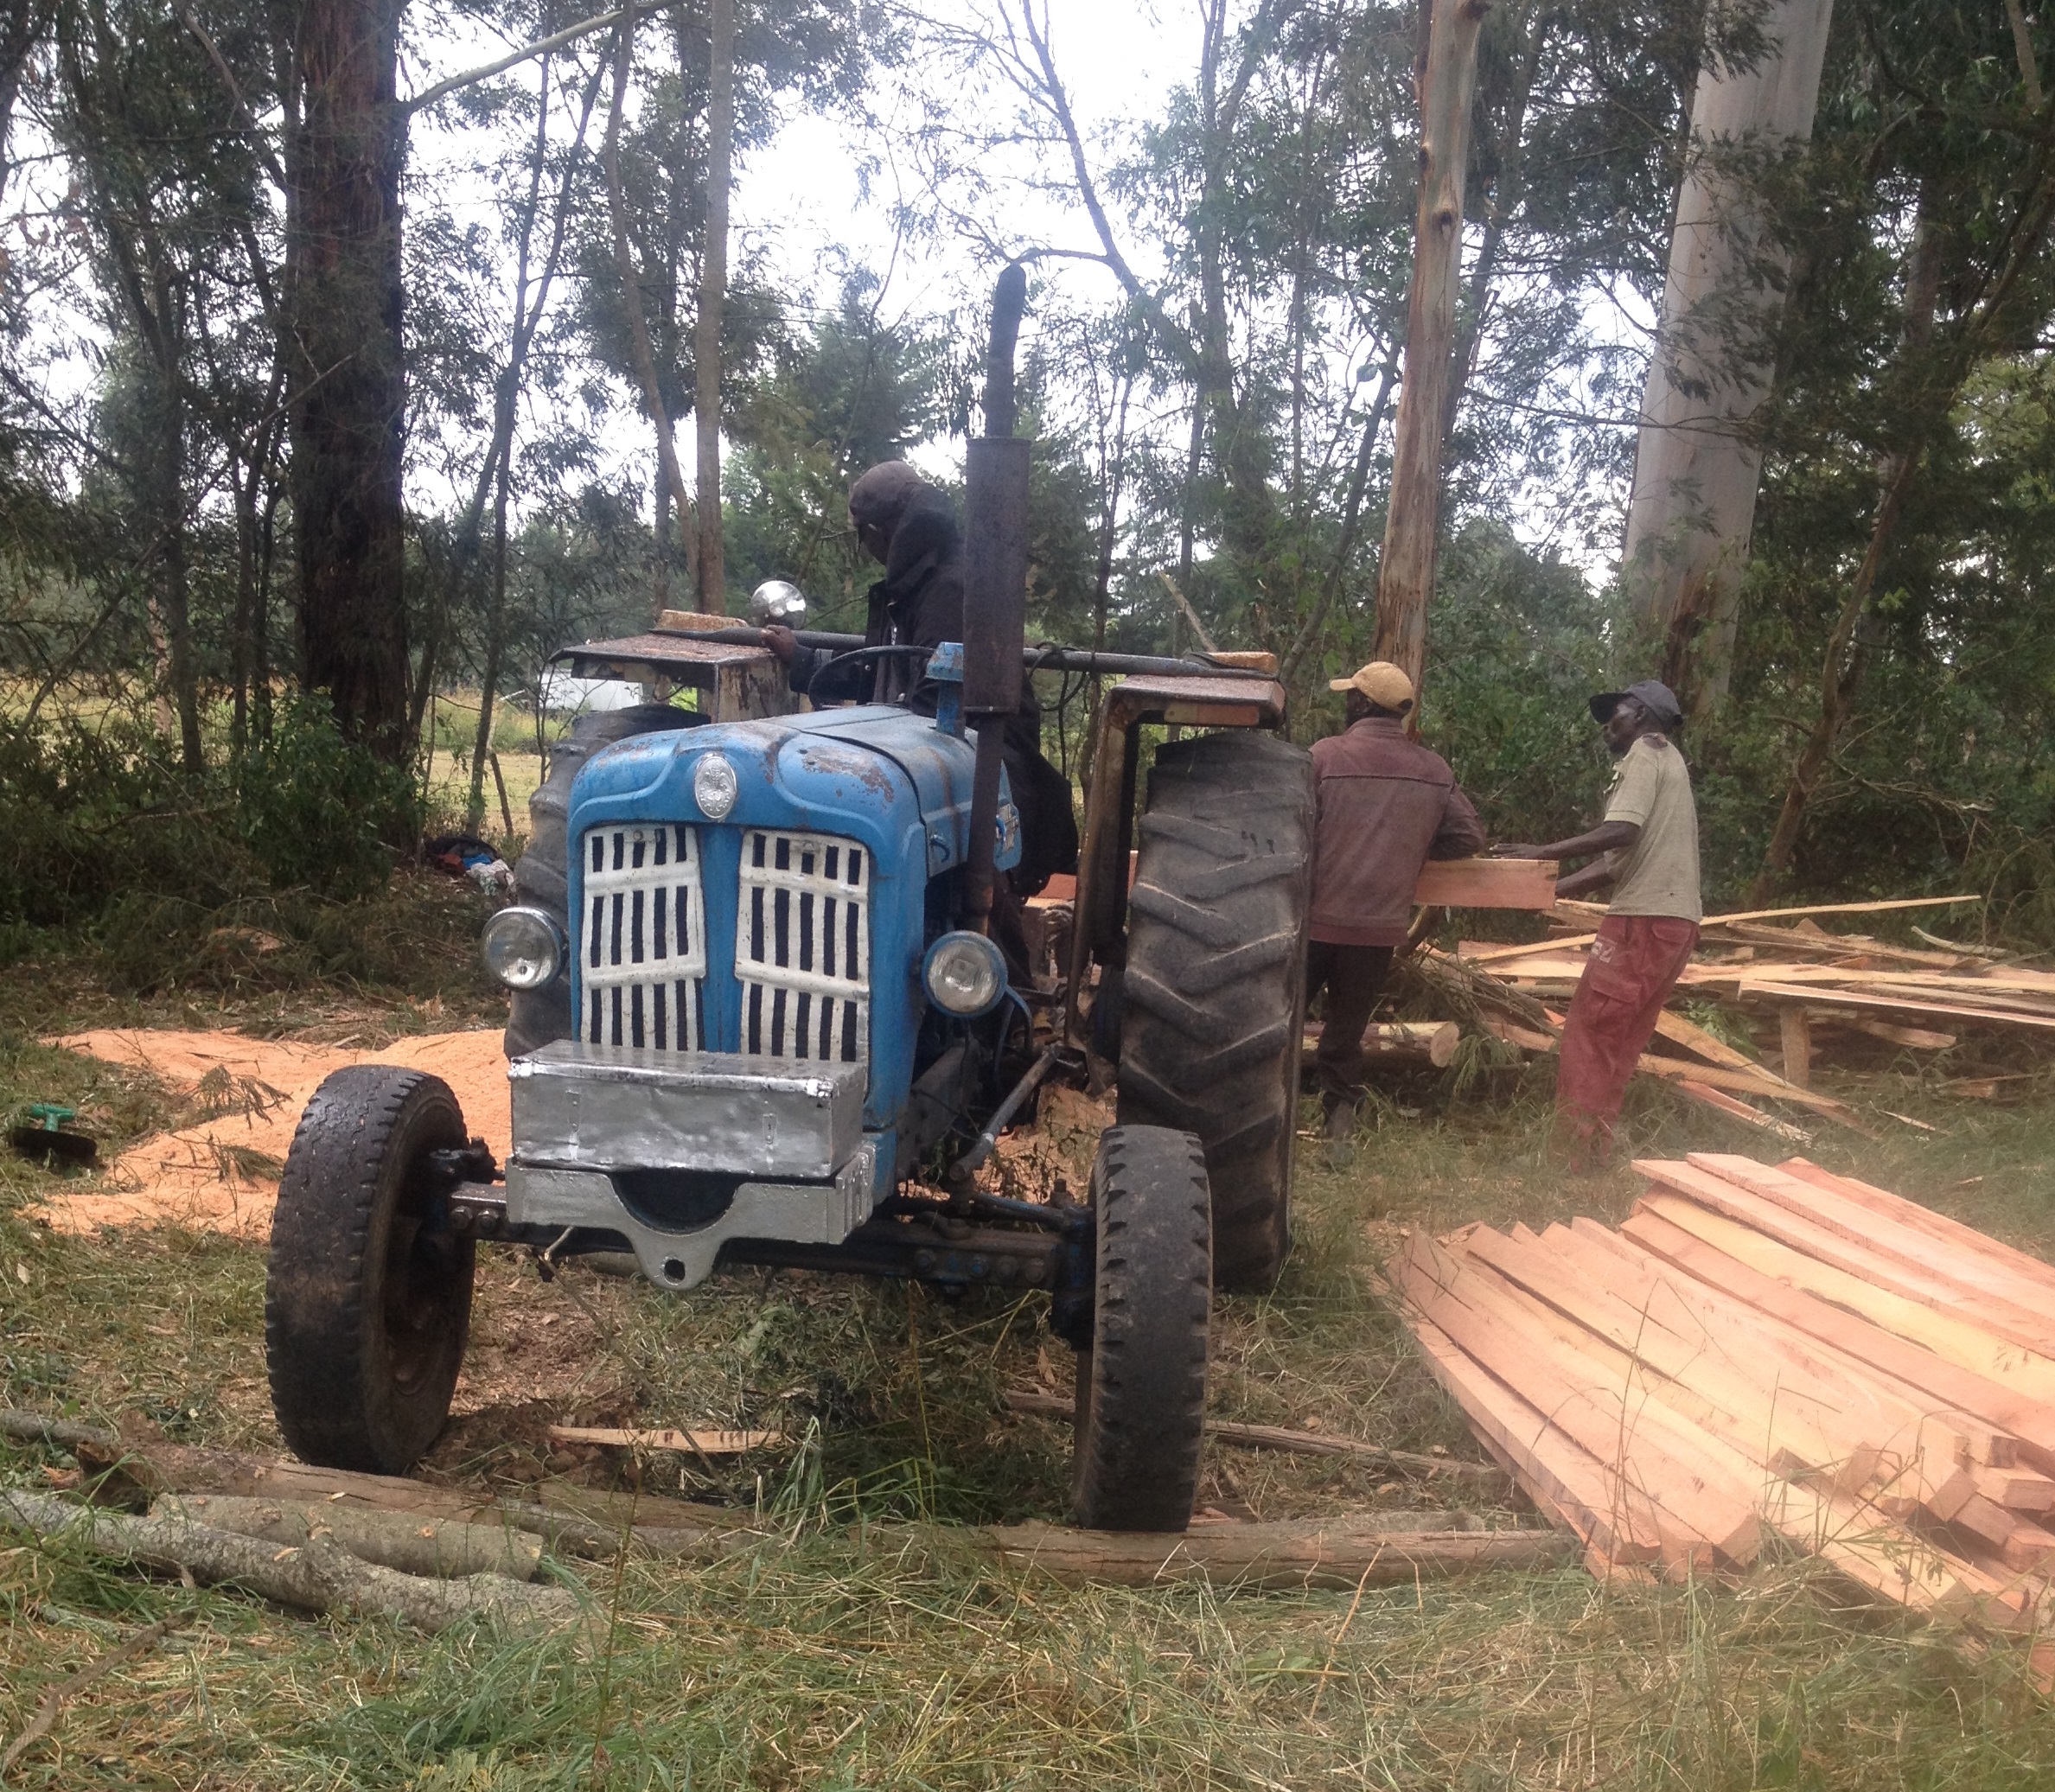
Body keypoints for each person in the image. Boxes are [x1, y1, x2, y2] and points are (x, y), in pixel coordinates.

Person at [762, 461, 1078, 897]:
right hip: (940, 757)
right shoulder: (918, 583)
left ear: (878, 532)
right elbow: (886, 668)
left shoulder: (948, 589)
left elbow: (932, 708)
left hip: (986, 773)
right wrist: (805, 661)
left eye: (862, 538)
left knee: (955, 898)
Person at [1497, 679, 1701, 1168]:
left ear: (1641, 714)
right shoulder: (1669, 762)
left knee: (1589, 1033)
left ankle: (1566, 1155)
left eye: (1617, 712)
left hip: (1641, 921)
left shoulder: (1644, 754)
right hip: (1675, 922)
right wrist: (1547, 889)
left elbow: (1621, 830)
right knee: (1618, 1041)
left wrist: (1543, 852)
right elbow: (1614, 864)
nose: (1608, 724)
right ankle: (1592, 1154)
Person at [1307, 660, 1485, 1137]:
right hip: (1378, 929)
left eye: (1351, 695)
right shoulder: (1432, 769)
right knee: (1346, 1030)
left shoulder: (1325, 756)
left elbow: (1292, 828)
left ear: (1361, 703)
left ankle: (1267, 1115)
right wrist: (1413, 851)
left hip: (1313, 923)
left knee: (1280, 1021)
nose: (1347, 702)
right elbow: (1468, 836)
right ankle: (1340, 1122)